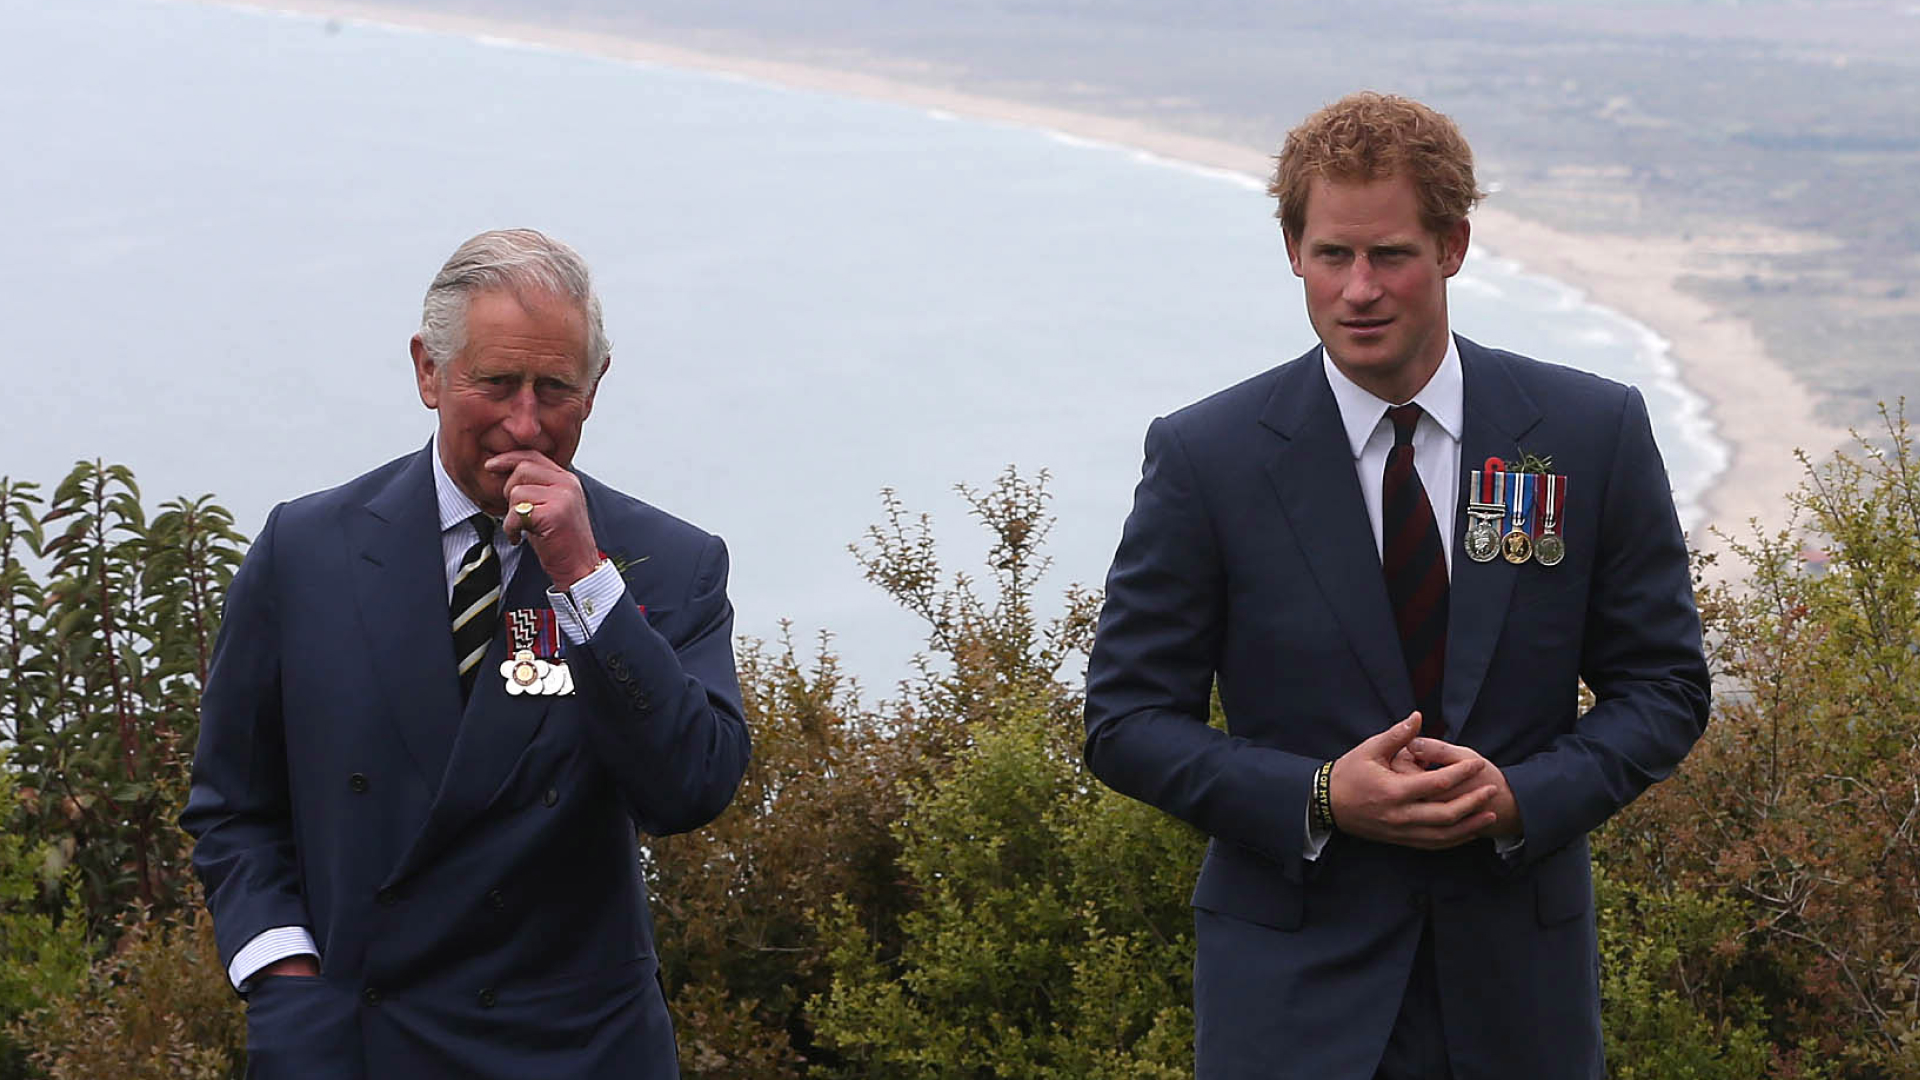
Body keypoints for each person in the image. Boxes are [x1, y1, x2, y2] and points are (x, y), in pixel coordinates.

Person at [1081, 92, 1709, 1079]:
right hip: (1290, 1003)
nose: (1359, 289)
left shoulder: (1589, 433)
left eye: (1391, 256)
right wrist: (1323, 794)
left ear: (1454, 245)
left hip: (1519, 999)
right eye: (1333, 255)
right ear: (1293, 250)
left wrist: (1521, 797)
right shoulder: (1209, 459)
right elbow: (1123, 721)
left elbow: (1665, 686)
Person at [182, 228, 751, 1079]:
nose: (525, 422)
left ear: (595, 387)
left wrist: (584, 581)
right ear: (427, 371)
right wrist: (285, 982)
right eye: (496, 383)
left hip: (575, 1053)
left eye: (555, 388)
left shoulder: (668, 562)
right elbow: (234, 805)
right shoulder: (306, 548)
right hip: (356, 1043)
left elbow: (689, 788)